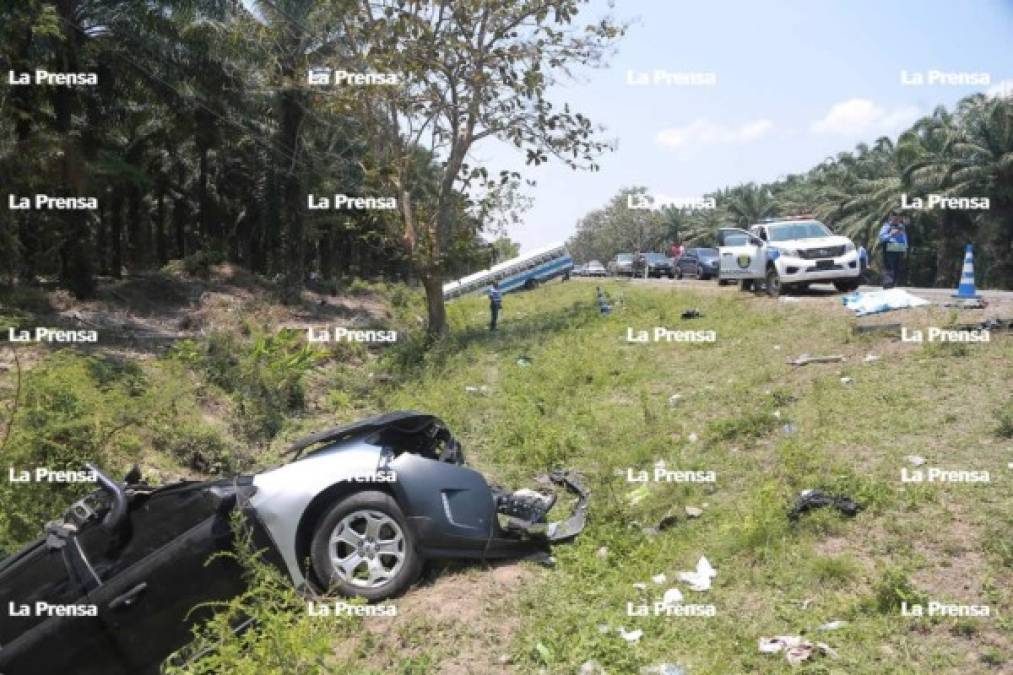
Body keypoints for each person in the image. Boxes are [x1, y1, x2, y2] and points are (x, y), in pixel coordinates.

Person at [878, 212, 908, 288]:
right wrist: (891, 234)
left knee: (897, 267)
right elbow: (881, 238)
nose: (897, 220)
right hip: (889, 247)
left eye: (898, 218)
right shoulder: (887, 226)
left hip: (899, 248)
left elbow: (904, 238)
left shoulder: (901, 226)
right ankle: (888, 284)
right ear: (891, 218)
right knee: (889, 267)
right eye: (895, 218)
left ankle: (893, 284)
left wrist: (905, 248)